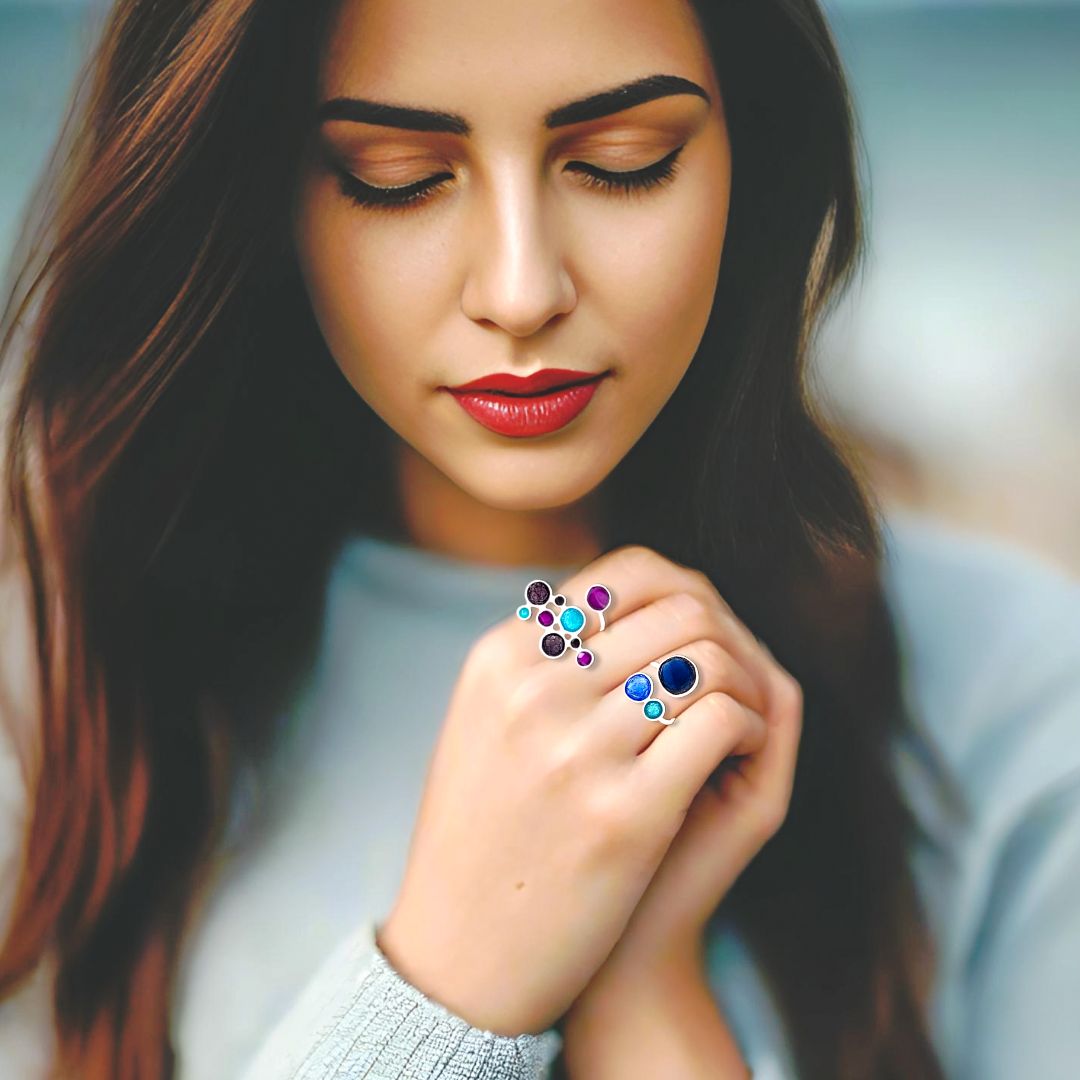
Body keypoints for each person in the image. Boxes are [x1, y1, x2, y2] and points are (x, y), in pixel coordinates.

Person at [0, 0, 1078, 1077]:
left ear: (752, 152)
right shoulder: (53, 695)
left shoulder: (1019, 692)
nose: (521, 292)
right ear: (264, 192)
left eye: (623, 161)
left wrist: (646, 987)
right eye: (395, 174)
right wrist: (451, 981)